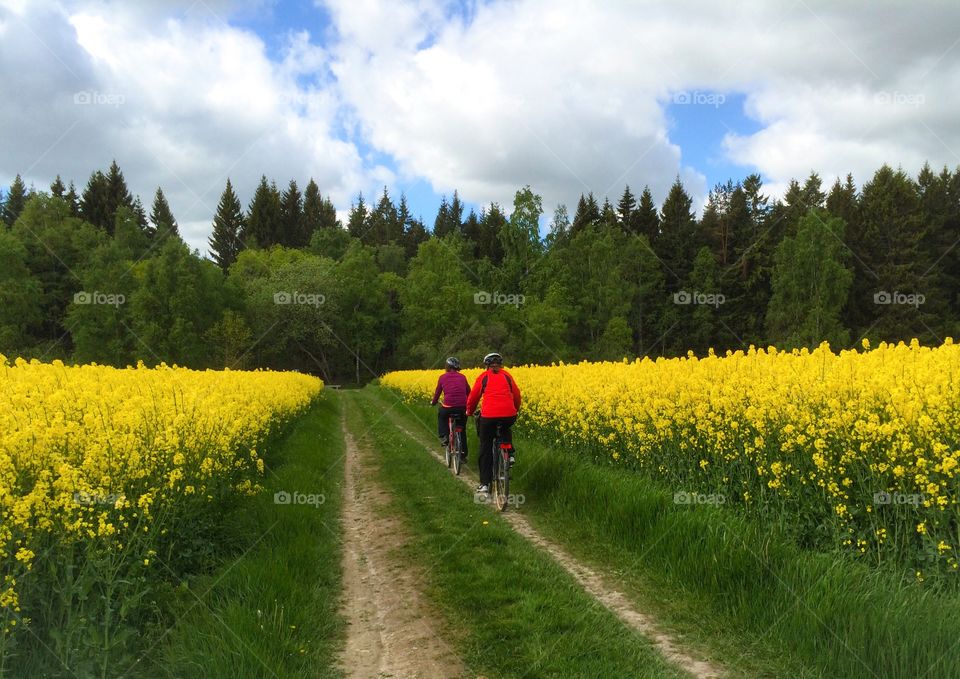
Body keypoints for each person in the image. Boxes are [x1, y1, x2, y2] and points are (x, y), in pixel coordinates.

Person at [465, 352, 521, 494]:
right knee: (506, 426)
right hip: (509, 415)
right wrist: (515, 409)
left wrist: (469, 411)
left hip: (489, 417)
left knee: (485, 446)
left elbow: (473, 397)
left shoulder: (484, 377)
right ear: (500, 364)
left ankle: (485, 484)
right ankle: (510, 453)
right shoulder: (507, 375)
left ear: (487, 365)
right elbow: (517, 394)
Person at [430, 357, 470, 459]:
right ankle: (463, 455)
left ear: (447, 367)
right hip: (462, 407)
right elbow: (469, 392)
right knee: (462, 429)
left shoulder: (442, 377)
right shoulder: (462, 377)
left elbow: (437, 393)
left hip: (448, 407)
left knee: (442, 414)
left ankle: (444, 436)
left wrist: (433, 402)